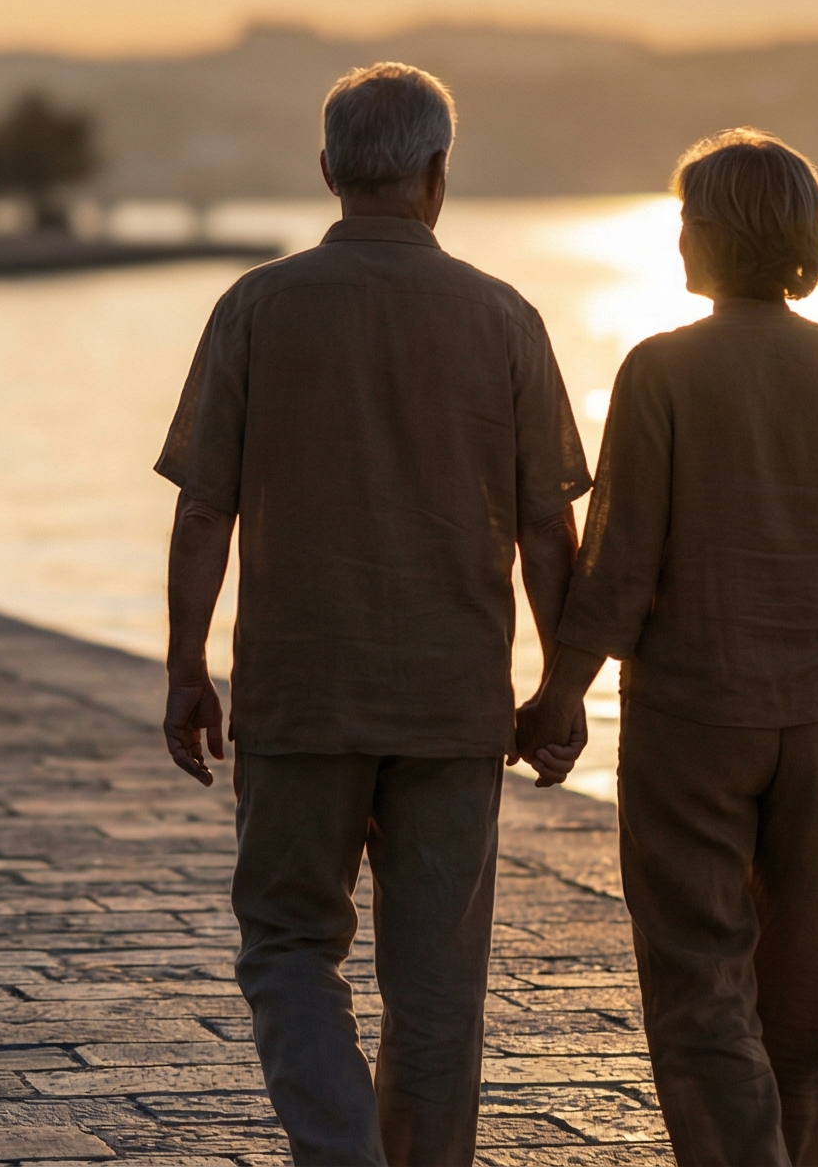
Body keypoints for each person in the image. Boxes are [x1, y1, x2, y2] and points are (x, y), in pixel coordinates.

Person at [156, 62, 591, 1165]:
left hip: (302, 696)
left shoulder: (256, 306)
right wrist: (560, 688)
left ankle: (339, 1147)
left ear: (327, 172)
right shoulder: (503, 318)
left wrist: (185, 670)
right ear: (438, 173)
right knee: (436, 984)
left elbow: (207, 509)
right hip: (451, 706)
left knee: (291, 943)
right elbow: (548, 533)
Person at [514, 129, 818, 1167]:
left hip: (696, 715)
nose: (675, 236)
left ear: (709, 234)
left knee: (699, 989)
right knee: (801, 1010)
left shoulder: (661, 370)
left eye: (684, 218)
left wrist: (558, 693)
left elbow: (622, 562)